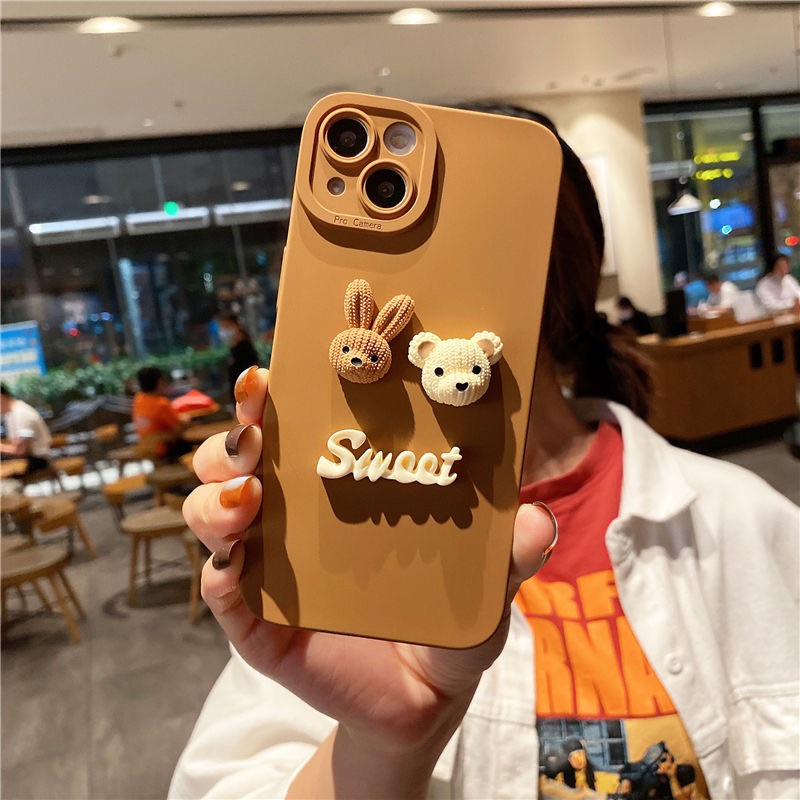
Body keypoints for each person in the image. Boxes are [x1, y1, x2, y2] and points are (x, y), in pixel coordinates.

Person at [170, 107, 799, 800]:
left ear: (555, 270)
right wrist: (386, 742)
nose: (421, 285)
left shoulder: (744, 521)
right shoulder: (326, 547)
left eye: (460, 243)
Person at [132, 366, 192, 462]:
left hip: (146, 446)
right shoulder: (161, 404)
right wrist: (186, 420)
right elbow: (179, 428)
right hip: (164, 448)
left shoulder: (138, 399)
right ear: (159, 382)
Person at [0, 382, 52, 474]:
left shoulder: (22, 414)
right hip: (28, 457)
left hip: (37, 459)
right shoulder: (10, 414)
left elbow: (22, 451)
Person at [217, 312, 260, 407]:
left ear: (236, 325)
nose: (224, 330)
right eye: (222, 327)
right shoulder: (233, 347)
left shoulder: (244, 346)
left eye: (227, 326)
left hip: (248, 397)